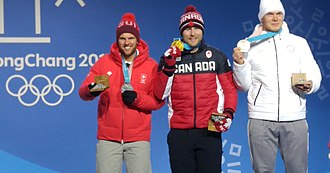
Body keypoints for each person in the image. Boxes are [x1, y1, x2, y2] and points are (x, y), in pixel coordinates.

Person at [232, 0, 322, 172]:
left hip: (295, 118)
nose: (275, 18)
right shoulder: (249, 45)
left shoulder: (299, 43)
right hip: (261, 118)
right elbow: (243, 85)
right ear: (261, 17)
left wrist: (311, 84)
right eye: (270, 14)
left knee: (298, 170)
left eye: (278, 13)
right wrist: (240, 63)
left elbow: (314, 73)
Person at [154, 5, 238, 173]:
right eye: (187, 29)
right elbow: (159, 94)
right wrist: (169, 66)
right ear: (181, 33)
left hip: (210, 130)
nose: (192, 33)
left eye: (196, 28)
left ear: (202, 30)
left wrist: (228, 113)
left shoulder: (216, 56)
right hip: (179, 133)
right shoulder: (169, 57)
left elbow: (229, 89)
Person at [78, 12, 164, 173]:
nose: (126, 42)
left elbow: (158, 101)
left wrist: (137, 99)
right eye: (122, 38)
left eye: (130, 38)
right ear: (117, 41)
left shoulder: (150, 65)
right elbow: (82, 93)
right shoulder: (104, 62)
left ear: (137, 40)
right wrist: (93, 90)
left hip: (138, 138)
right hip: (108, 138)